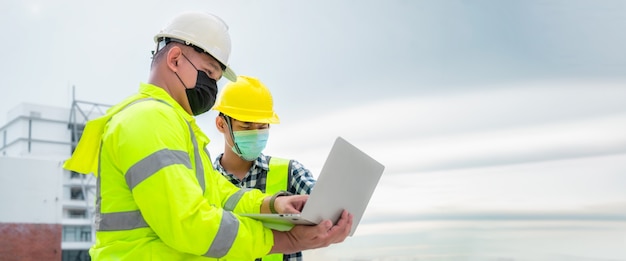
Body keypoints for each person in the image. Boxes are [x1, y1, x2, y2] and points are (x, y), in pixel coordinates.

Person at [62, 11, 352, 260]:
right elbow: (188, 223)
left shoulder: (172, 123)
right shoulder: (149, 120)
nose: (212, 88)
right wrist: (286, 241)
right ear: (175, 59)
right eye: (209, 74)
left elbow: (217, 192)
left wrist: (271, 204)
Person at [212, 75, 316, 261]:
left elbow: (326, 207)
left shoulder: (291, 173)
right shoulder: (203, 180)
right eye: (246, 126)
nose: (255, 133)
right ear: (221, 124)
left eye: (262, 126)